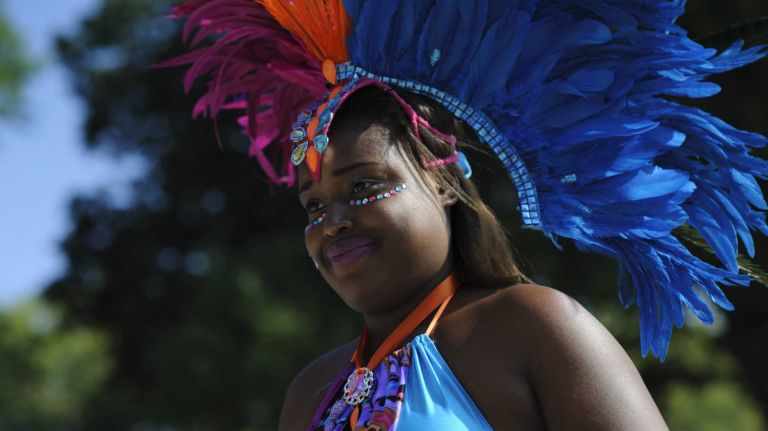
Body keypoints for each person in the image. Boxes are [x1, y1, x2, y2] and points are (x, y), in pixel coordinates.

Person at [161, 1, 767, 429]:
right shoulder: (308, 394)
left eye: (365, 185)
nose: (332, 222)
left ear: (443, 183)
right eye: (313, 207)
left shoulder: (533, 325)